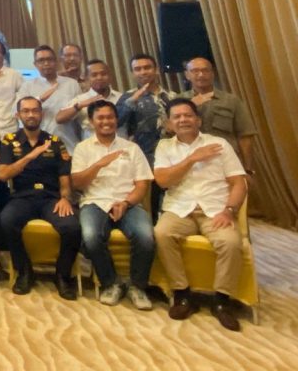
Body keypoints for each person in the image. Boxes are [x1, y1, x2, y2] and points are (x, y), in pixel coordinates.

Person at [153, 98, 248, 331]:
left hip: (215, 210)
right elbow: (163, 181)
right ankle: (182, 294)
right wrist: (192, 158)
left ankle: (221, 300)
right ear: (169, 124)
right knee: (161, 233)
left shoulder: (220, 144)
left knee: (230, 242)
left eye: (187, 115)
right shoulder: (164, 147)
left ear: (198, 120)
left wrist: (229, 210)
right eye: (177, 117)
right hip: (179, 209)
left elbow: (239, 183)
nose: (183, 120)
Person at [71, 100, 154, 310]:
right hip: (94, 202)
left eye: (110, 117)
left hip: (128, 202)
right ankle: (111, 283)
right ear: (91, 122)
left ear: (117, 120)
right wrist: (99, 164)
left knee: (146, 237)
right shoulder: (82, 148)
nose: (106, 121)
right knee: (90, 236)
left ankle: (137, 286)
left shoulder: (131, 148)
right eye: (100, 118)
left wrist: (126, 203)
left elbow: (142, 184)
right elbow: (78, 184)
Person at [0, 96, 81, 300]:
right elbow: (3, 175)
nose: (31, 115)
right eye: (25, 111)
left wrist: (65, 198)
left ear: (41, 114)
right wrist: (30, 156)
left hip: (51, 198)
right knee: (6, 221)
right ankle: (25, 272)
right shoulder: (9, 141)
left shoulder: (55, 142)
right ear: (18, 115)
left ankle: (62, 275)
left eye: (35, 110)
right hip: (22, 197)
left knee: (72, 226)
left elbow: (64, 177)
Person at [183, 57, 257, 175]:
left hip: (227, 161)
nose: (201, 74)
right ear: (187, 75)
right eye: (195, 71)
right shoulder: (178, 101)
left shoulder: (231, 100)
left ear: (212, 74)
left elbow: (245, 135)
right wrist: (190, 106)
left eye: (205, 70)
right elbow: (169, 132)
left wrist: (248, 168)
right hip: (193, 165)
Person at [16, 45, 82, 152]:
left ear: (56, 61)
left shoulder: (72, 84)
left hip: (68, 144)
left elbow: (80, 116)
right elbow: (18, 113)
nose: (46, 63)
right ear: (35, 64)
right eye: (41, 60)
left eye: (49, 59)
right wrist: (40, 99)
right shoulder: (27, 86)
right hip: (38, 146)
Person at [116, 53, 177, 166]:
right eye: (137, 69)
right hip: (143, 156)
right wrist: (131, 102)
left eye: (147, 67)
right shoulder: (127, 97)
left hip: (173, 152)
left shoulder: (171, 96)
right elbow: (116, 122)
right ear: (132, 73)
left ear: (156, 70)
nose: (143, 72)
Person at [56, 59, 122, 143]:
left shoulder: (121, 97)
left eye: (103, 74)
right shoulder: (81, 100)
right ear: (87, 78)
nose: (99, 77)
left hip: (121, 147)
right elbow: (59, 118)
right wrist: (80, 106)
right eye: (94, 75)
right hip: (92, 149)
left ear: (109, 76)